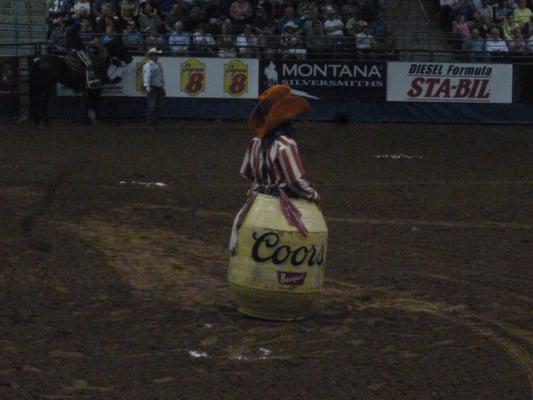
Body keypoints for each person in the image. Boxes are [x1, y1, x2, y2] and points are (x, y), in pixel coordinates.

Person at [230, 84, 318, 254]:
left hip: (256, 204)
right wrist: (312, 194)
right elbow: (295, 182)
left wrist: (264, 181)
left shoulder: (255, 143)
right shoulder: (286, 145)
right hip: (280, 207)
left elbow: (246, 172)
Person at [142, 47, 166, 129]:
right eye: (155, 55)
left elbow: (161, 76)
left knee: (158, 106)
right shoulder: (148, 65)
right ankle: (150, 123)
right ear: (151, 56)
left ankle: (154, 123)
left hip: (158, 87)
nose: (157, 56)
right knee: (152, 107)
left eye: (157, 55)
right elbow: (147, 76)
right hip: (152, 88)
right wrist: (147, 87)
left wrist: (162, 86)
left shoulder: (159, 64)